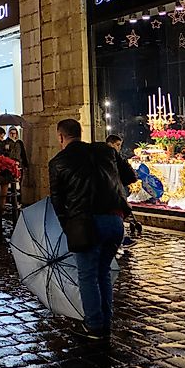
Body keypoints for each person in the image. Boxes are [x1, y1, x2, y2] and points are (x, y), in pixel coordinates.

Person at [49, 119, 126, 340]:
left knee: (88, 275)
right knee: (103, 272)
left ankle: (94, 325)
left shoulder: (58, 162)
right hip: (114, 221)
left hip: (86, 224)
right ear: (80, 133)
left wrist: (69, 228)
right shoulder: (104, 151)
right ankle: (105, 321)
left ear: (61, 137)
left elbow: (57, 202)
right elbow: (128, 175)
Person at [106, 134, 142, 246]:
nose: (118, 148)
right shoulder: (113, 158)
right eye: (117, 145)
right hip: (113, 194)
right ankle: (121, 238)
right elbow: (130, 175)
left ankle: (122, 238)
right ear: (110, 144)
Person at [4, 127, 28, 195]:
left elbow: (23, 153)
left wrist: (25, 164)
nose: (13, 135)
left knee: (19, 182)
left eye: (14, 133)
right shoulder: (6, 142)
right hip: (10, 164)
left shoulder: (19, 142)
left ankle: (20, 198)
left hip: (19, 164)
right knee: (10, 182)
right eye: (11, 133)